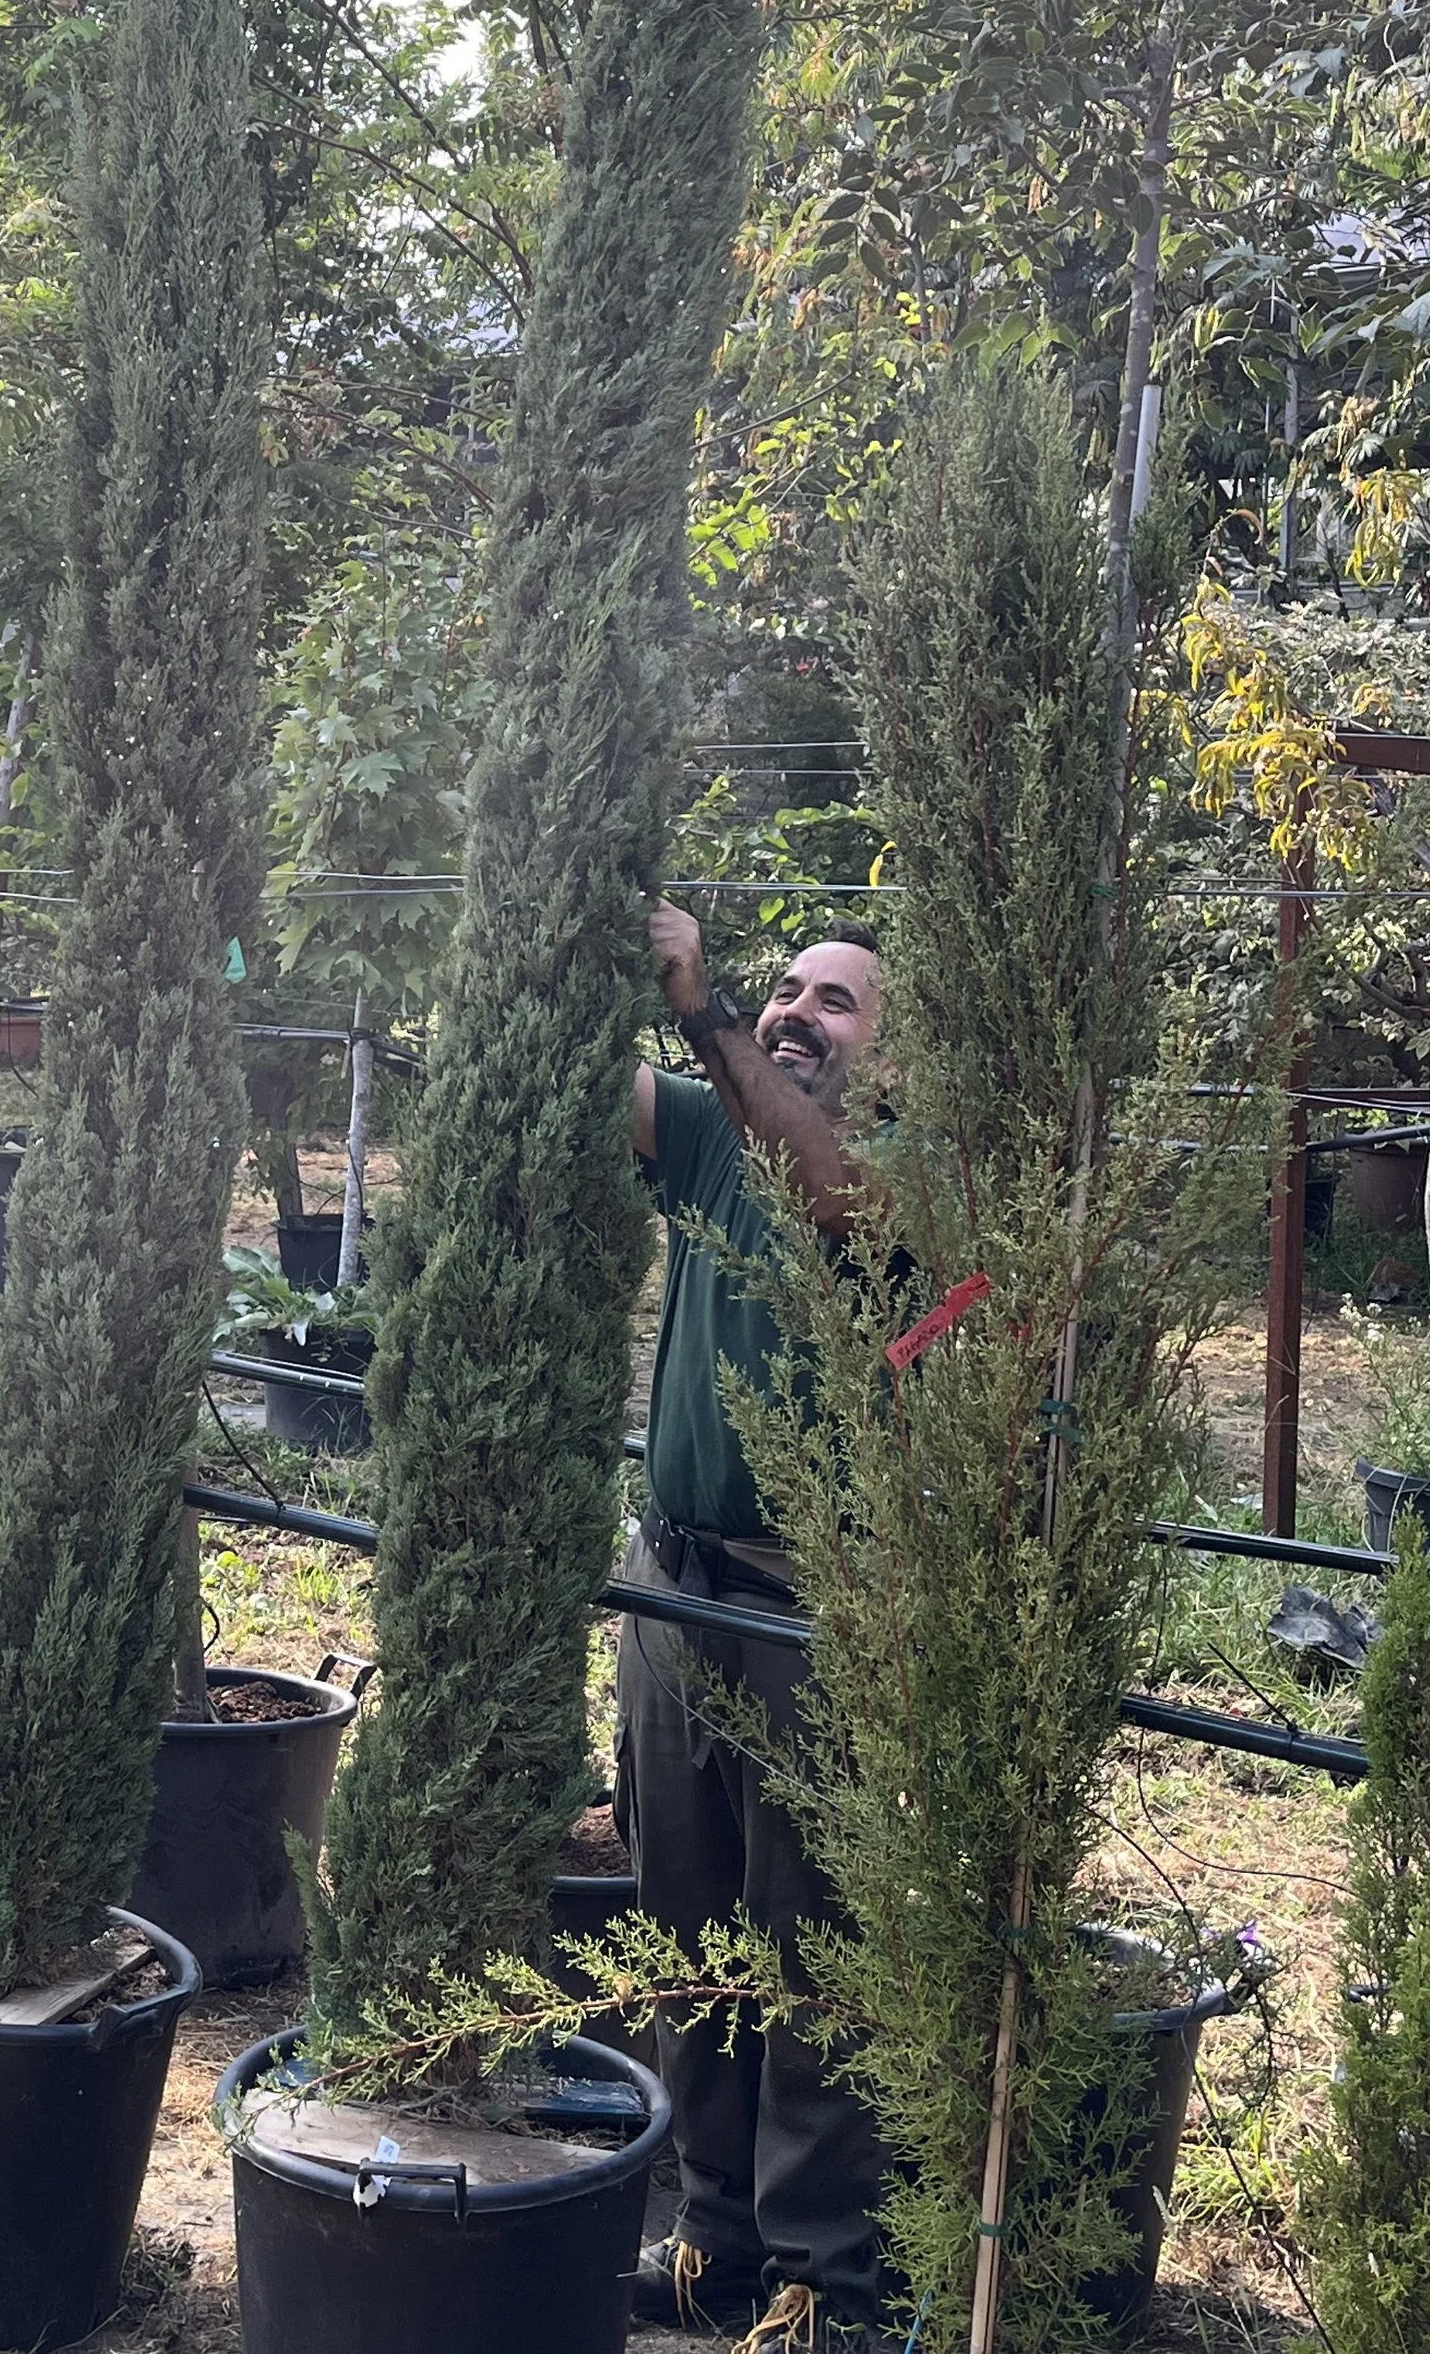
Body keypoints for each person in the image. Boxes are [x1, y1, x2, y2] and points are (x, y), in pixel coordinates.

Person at [621, 896, 901, 2348]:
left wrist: (708, 1007)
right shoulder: (711, 1131)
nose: (796, 1011)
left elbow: (836, 1193)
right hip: (675, 1592)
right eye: (787, 989)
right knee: (688, 1925)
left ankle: (822, 2279)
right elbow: (580, 1087)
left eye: (835, 1002)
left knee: (811, 1949)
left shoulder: (904, 1171)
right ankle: (714, 2241)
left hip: (816, 1615)